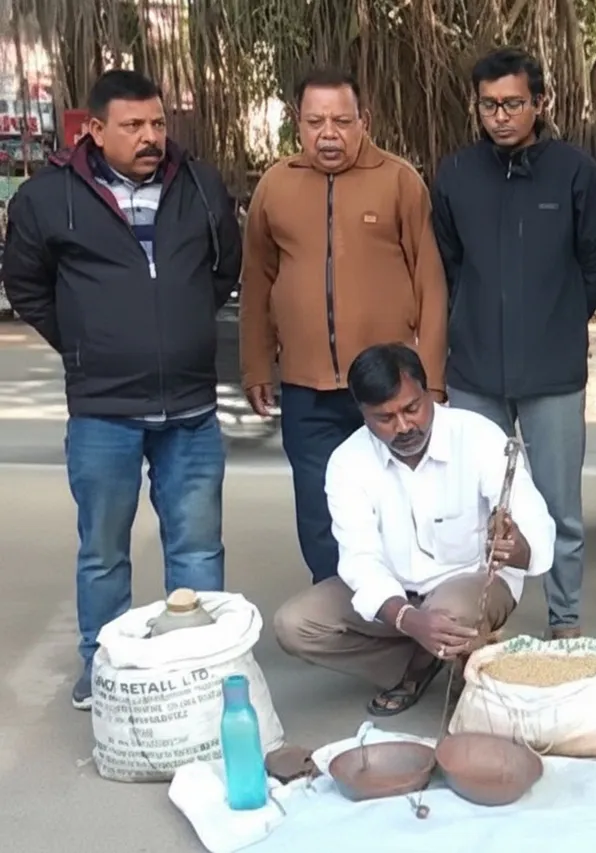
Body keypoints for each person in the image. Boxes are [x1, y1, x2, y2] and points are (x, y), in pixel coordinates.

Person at [1, 69, 242, 709]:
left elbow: (223, 270)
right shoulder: (50, 198)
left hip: (190, 410)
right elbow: (26, 286)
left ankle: (198, 668)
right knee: (104, 551)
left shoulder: (199, 184)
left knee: (196, 548)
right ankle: (103, 667)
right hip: (103, 412)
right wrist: (86, 344)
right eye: (133, 126)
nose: (150, 136)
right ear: (96, 130)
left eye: (158, 123)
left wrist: (178, 329)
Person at [431, 47, 596, 640]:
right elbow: (450, 264)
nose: (501, 116)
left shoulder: (575, 172)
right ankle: (475, 621)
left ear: (540, 102)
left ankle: (564, 622)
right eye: (489, 105)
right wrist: (473, 320)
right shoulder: (456, 174)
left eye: (513, 103)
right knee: (475, 507)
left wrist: (559, 318)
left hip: (554, 371)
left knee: (560, 508)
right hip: (475, 371)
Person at [240, 67, 448, 585]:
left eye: (341, 120)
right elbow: (257, 281)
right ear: (297, 123)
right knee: (319, 508)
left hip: (387, 388)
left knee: (401, 502)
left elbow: (433, 284)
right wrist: (255, 364)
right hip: (306, 387)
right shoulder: (276, 185)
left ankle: (411, 610)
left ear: (364, 121)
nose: (328, 134)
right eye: (315, 122)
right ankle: (340, 616)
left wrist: (434, 380)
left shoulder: (399, 180)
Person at [273, 343, 555, 716]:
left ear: (429, 393)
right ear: (362, 413)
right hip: (399, 596)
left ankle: (444, 660)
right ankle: (417, 663)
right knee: (295, 624)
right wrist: (410, 619)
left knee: (451, 613)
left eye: (412, 408)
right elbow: (360, 561)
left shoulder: (478, 436)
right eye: (385, 418)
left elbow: (534, 522)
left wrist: (517, 546)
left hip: (467, 586)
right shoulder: (347, 462)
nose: (404, 426)